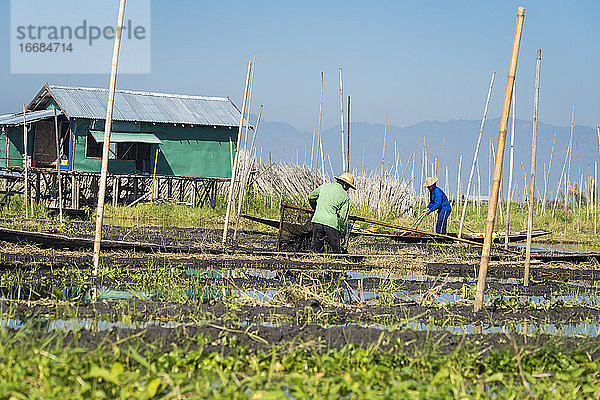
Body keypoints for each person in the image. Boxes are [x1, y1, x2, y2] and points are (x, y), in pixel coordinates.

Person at [308, 172, 356, 253]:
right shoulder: (344, 196)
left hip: (317, 220)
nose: (347, 189)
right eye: (348, 187)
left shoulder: (325, 186)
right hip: (331, 224)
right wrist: (343, 233)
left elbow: (311, 197)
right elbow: (343, 217)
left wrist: (316, 208)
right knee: (336, 251)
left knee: (317, 250)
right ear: (345, 185)